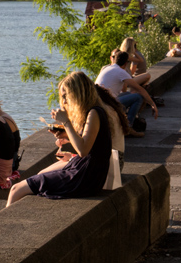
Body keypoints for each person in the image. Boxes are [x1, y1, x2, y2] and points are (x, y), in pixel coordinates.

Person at [7, 72, 112, 204]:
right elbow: (90, 143)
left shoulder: (94, 113)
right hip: (90, 173)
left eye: (65, 96)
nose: (64, 101)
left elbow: (83, 150)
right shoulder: (94, 111)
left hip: (84, 176)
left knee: (16, 189)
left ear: (77, 93)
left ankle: (3, 225)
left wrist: (66, 122)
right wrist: (66, 135)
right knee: (41, 174)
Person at [95, 50, 158, 131]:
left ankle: (125, 120)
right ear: (126, 63)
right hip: (107, 103)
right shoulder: (121, 72)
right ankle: (128, 126)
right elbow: (140, 89)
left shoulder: (107, 68)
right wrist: (152, 104)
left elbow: (124, 90)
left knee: (128, 94)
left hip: (99, 101)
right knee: (138, 97)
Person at [95, 85, 132, 170]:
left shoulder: (99, 112)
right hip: (118, 161)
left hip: (110, 163)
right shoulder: (111, 108)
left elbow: (86, 148)